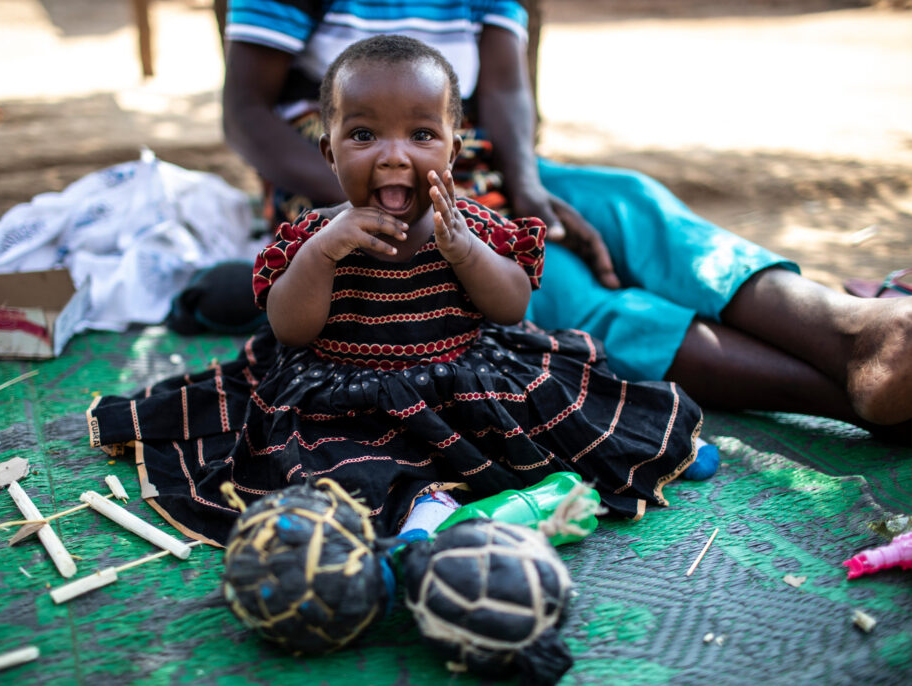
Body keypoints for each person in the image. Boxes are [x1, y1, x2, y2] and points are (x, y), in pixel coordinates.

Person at [88, 35, 704, 543]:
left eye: (420, 135)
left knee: (564, 408)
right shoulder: (311, 235)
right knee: (341, 463)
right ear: (329, 153)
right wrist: (322, 253)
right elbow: (290, 329)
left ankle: (641, 450)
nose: (393, 156)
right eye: (363, 136)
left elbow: (511, 306)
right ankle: (421, 514)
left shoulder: (474, 224)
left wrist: (466, 251)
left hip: (468, 375)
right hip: (346, 392)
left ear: (454, 150)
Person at [213, 0, 912, 441]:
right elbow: (247, 112)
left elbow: (510, 92)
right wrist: (360, 200)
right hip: (341, 192)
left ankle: (851, 332)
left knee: (629, 203)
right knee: (570, 292)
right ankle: (846, 394)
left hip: (476, 167)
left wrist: (527, 192)